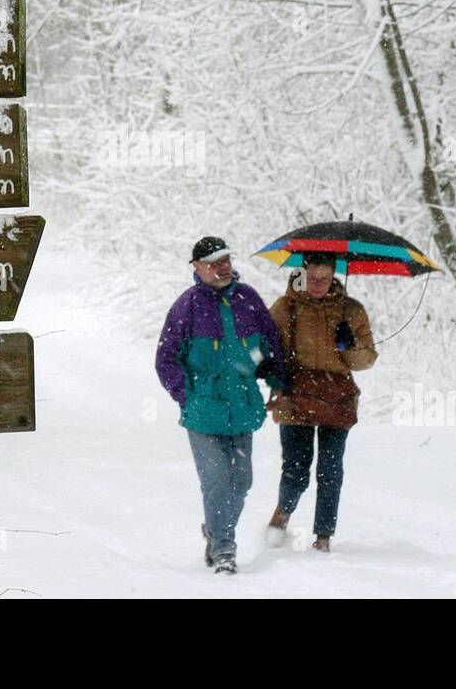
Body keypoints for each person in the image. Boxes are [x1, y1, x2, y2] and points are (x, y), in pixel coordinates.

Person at [156, 236, 288, 574]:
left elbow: (269, 346)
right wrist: (188, 395)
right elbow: (166, 358)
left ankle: (214, 530)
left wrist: (270, 376)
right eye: (214, 262)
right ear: (197, 268)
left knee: (241, 482)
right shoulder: (186, 306)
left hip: (242, 407)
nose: (223, 266)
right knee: (216, 480)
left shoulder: (249, 300)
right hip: (203, 411)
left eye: (226, 259)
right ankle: (223, 549)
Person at [265, 251, 377, 553]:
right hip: (295, 396)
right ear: (302, 273)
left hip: (337, 398)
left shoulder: (351, 311)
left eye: (325, 278)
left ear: (334, 276)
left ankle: (324, 536)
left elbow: (367, 360)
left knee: (331, 469)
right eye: (313, 277)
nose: (318, 284)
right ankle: (282, 515)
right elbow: (266, 348)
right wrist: (266, 370)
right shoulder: (285, 307)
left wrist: (349, 344)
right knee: (296, 469)